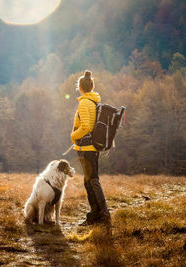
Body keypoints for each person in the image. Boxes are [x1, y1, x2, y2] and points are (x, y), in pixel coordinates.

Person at [71, 70, 111, 226]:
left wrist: (73, 135)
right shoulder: (93, 102)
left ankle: (103, 216)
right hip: (91, 148)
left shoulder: (84, 103)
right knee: (90, 182)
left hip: (86, 148)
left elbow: (86, 126)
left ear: (80, 87)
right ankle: (96, 215)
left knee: (92, 181)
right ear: (92, 86)